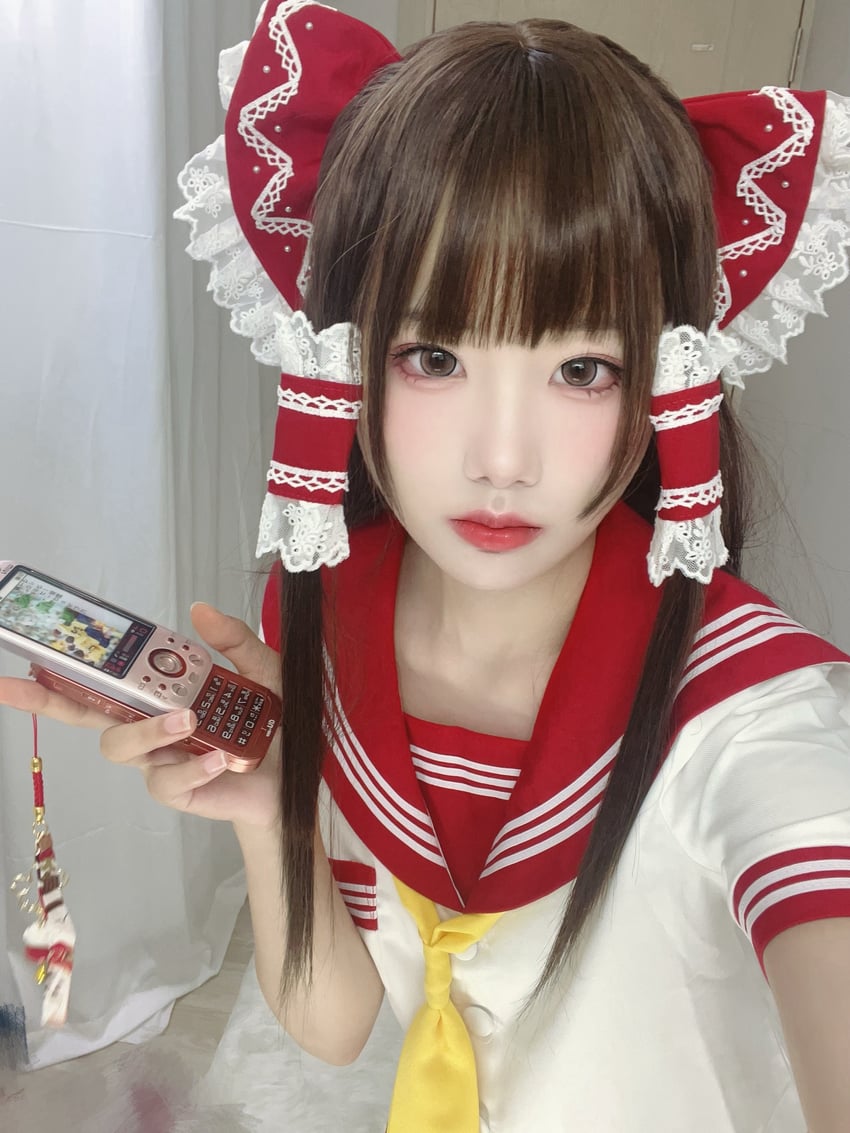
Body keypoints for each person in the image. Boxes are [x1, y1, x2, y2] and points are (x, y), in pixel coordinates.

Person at [3, 3, 850, 1130]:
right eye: (435, 354)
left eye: (584, 369)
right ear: (342, 357)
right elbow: (338, 1022)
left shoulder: (747, 710)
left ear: (669, 379)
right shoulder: (324, 610)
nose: (502, 460)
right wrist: (274, 809)